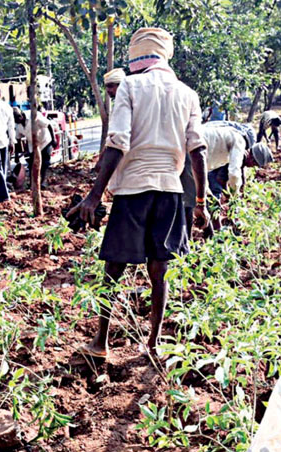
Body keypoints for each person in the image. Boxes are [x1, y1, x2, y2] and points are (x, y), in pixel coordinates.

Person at [68, 27, 208, 361]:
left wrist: (94, 195)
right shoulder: (188, 93)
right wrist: (200, 202)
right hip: (171, 192)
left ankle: (100, 343)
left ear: (136, 56)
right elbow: (198, 151)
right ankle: (153, 345)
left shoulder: (130, 85)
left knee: (113, 271)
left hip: (133, 190)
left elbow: (118, 142)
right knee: (159, 273)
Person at [16, 105, 58, 188]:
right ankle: (33, 183)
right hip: (33, 144)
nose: (17, 122)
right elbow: (18, 139)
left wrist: (54, 139)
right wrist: (19, 153)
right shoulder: (18, 125)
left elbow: (48, 125)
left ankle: (42, 182)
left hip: (45, 141)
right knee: (32, 164)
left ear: (21, 116)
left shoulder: (34, 115)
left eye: (18, 120)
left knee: (44, 163)